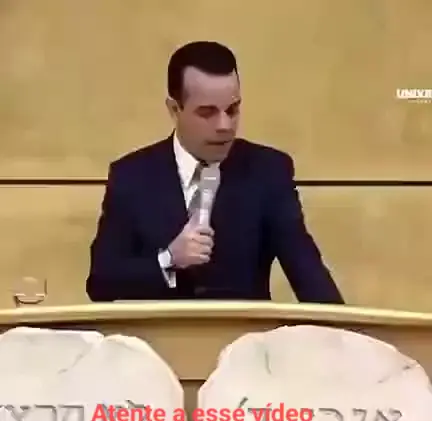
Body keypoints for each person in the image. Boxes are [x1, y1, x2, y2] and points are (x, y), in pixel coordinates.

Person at [86, 41, 344, 304]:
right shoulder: (132, 177)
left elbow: (307, 272)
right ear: (174, 109)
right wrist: (168, 259)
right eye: (207, 113)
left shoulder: (268, 171)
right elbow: (101, 282)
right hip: (162, 330)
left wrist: (341, 327)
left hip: (243, 330)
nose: (225, 126)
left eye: (232, 110)